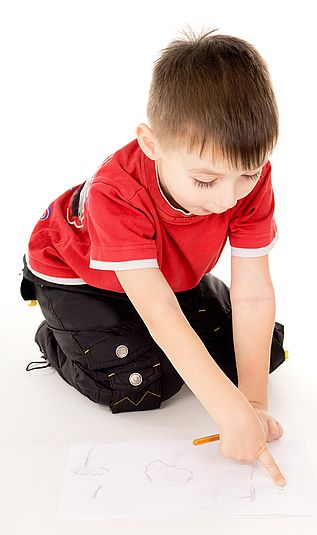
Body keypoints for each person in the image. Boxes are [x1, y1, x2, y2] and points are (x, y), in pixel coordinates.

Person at [19, 27, 287, 486]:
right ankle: (57, 339)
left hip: (162, 275)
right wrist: (230, 411)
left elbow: (255, 296)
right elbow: (160, 311)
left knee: (262, 353)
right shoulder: (115, 194)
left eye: (245, 175)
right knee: (142, 385)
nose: (228, 198)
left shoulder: (247, 178)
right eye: (206, 181)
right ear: (151, 143)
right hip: (76, 278)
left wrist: (254, 404)